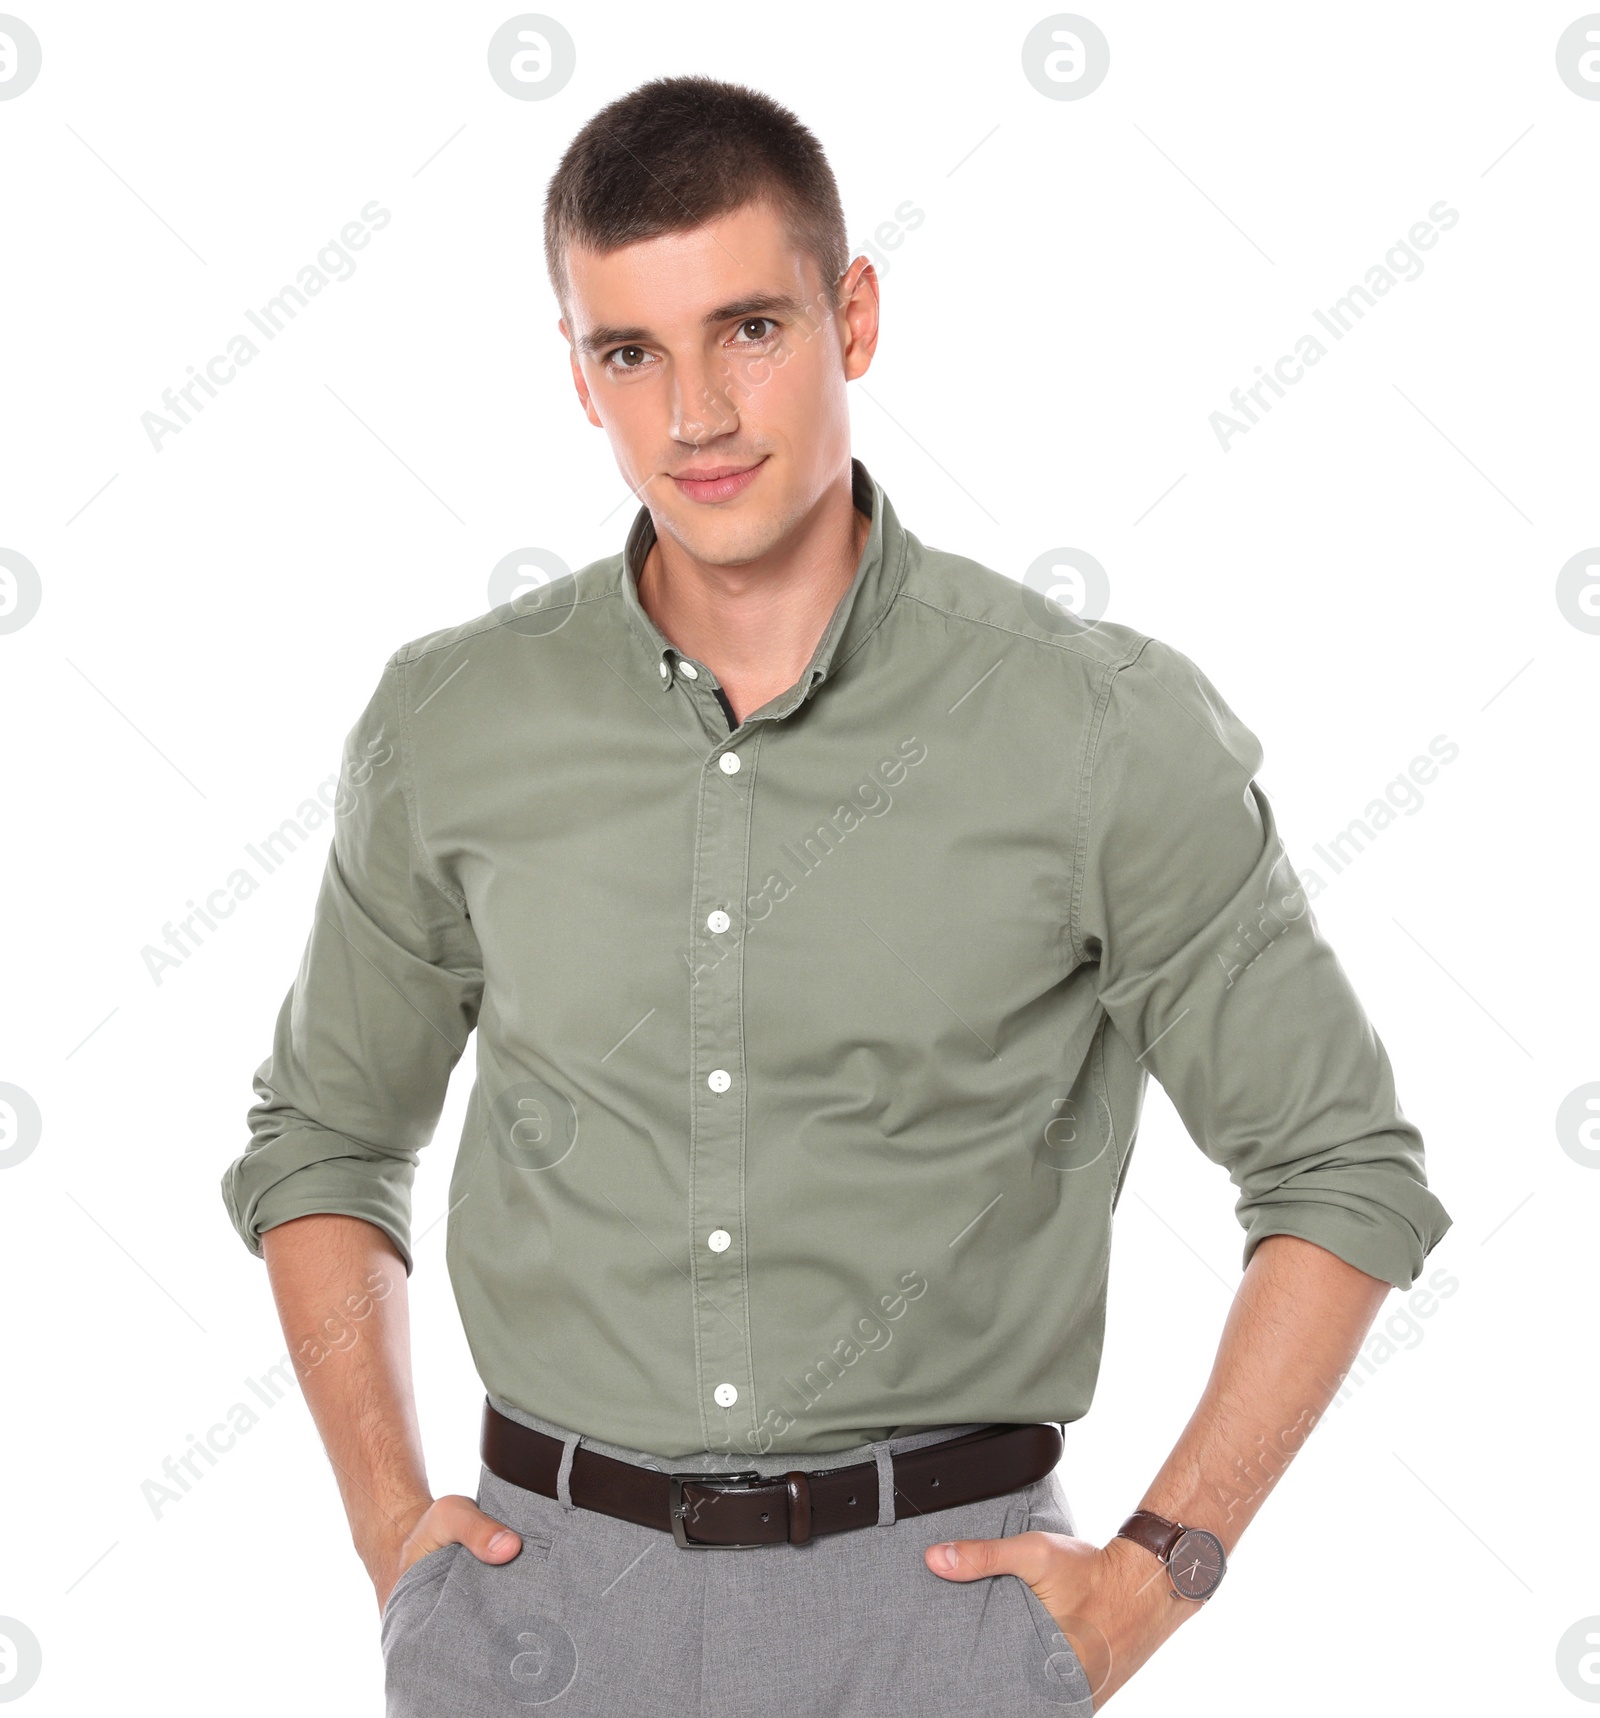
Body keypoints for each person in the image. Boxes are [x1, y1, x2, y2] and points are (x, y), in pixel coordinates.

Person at [221, 74, 1452, 1715]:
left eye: (748, 329)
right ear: (579, 374)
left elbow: (1339, 1170)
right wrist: (396, 1538)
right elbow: (321, 1137)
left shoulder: (1094, 729)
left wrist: (1157, 1575)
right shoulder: (456, 726)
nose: (696, 418)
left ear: (852, 315)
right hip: (536, 1612)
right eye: (631, 353)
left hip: (939, 1616)